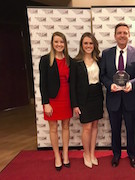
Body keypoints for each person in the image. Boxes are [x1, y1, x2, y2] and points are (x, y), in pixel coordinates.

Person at [100, 22, 135, 168]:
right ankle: (116, 155)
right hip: (113, 99)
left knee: (131, 129)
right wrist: (109, 85)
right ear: (115, 36)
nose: (122, 35)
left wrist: (132, 84)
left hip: (130, 99)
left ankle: (132, 155)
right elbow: (103, 75)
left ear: (129, 35)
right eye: (119, 33)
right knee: (115, 129)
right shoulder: (106, 54)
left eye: (125, 33)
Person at [39, 31, 72, 171]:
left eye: (61, 42)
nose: (59, 44)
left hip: (67, 98)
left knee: (66, 127)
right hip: (52, 99)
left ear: (65, 44)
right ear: (52, 43)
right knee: (53, 128)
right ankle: (56, 156)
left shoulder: (69, 60)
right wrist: (45, 103)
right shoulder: (46, 59)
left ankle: (65, 155)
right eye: (56, 41)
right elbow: (43, 83)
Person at [70, 32, 103, 168]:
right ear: (81, 45)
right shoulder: (75, 62)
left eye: (90, 43)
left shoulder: (99, 60)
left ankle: (92, 153)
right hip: (84, 97)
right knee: (87, 127)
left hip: (97, 95)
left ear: (94, 45)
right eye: (86, 43)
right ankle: (86, 154)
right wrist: (75, 104)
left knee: (95, 125)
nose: (88, 46)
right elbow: (72, 85)